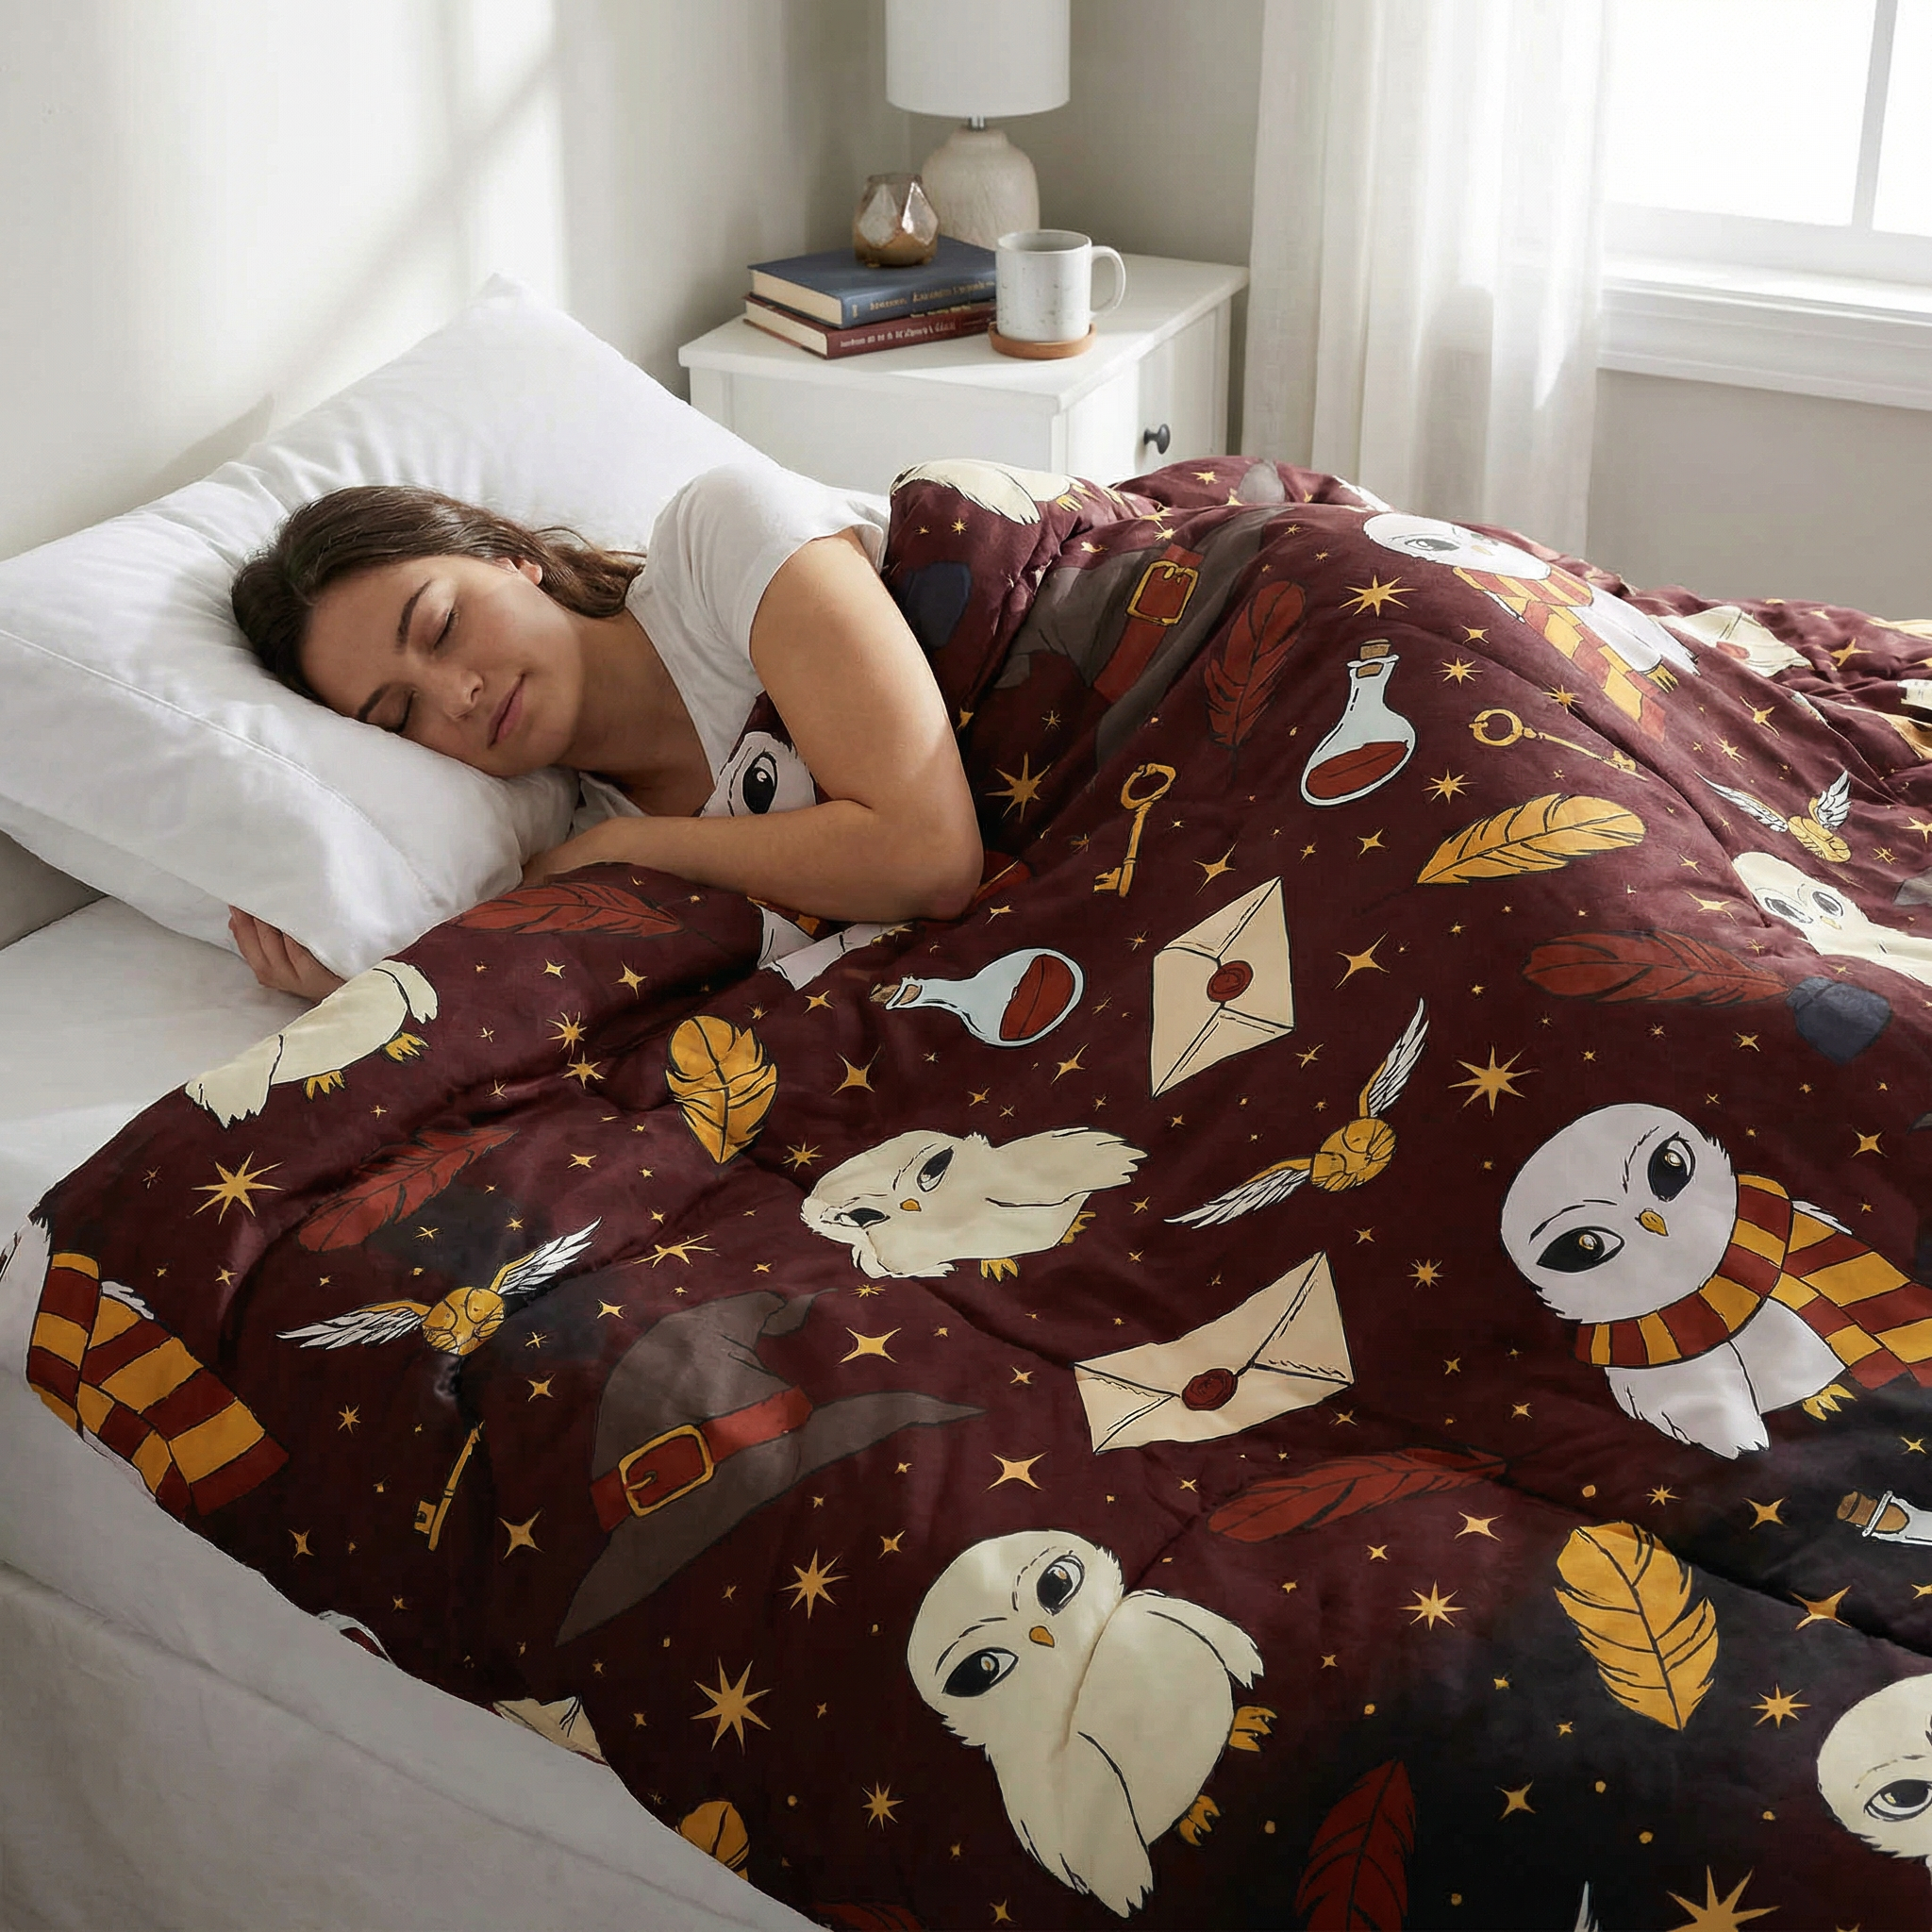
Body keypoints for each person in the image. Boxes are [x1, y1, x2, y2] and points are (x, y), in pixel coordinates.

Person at [229, 462, 985, 1001]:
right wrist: (363, 999)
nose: (457, 696)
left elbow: (930, 858)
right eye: (401, 716)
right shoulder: (573, 855)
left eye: (443, 625)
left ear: (509, 558)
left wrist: (628, 849)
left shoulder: (720, 535)